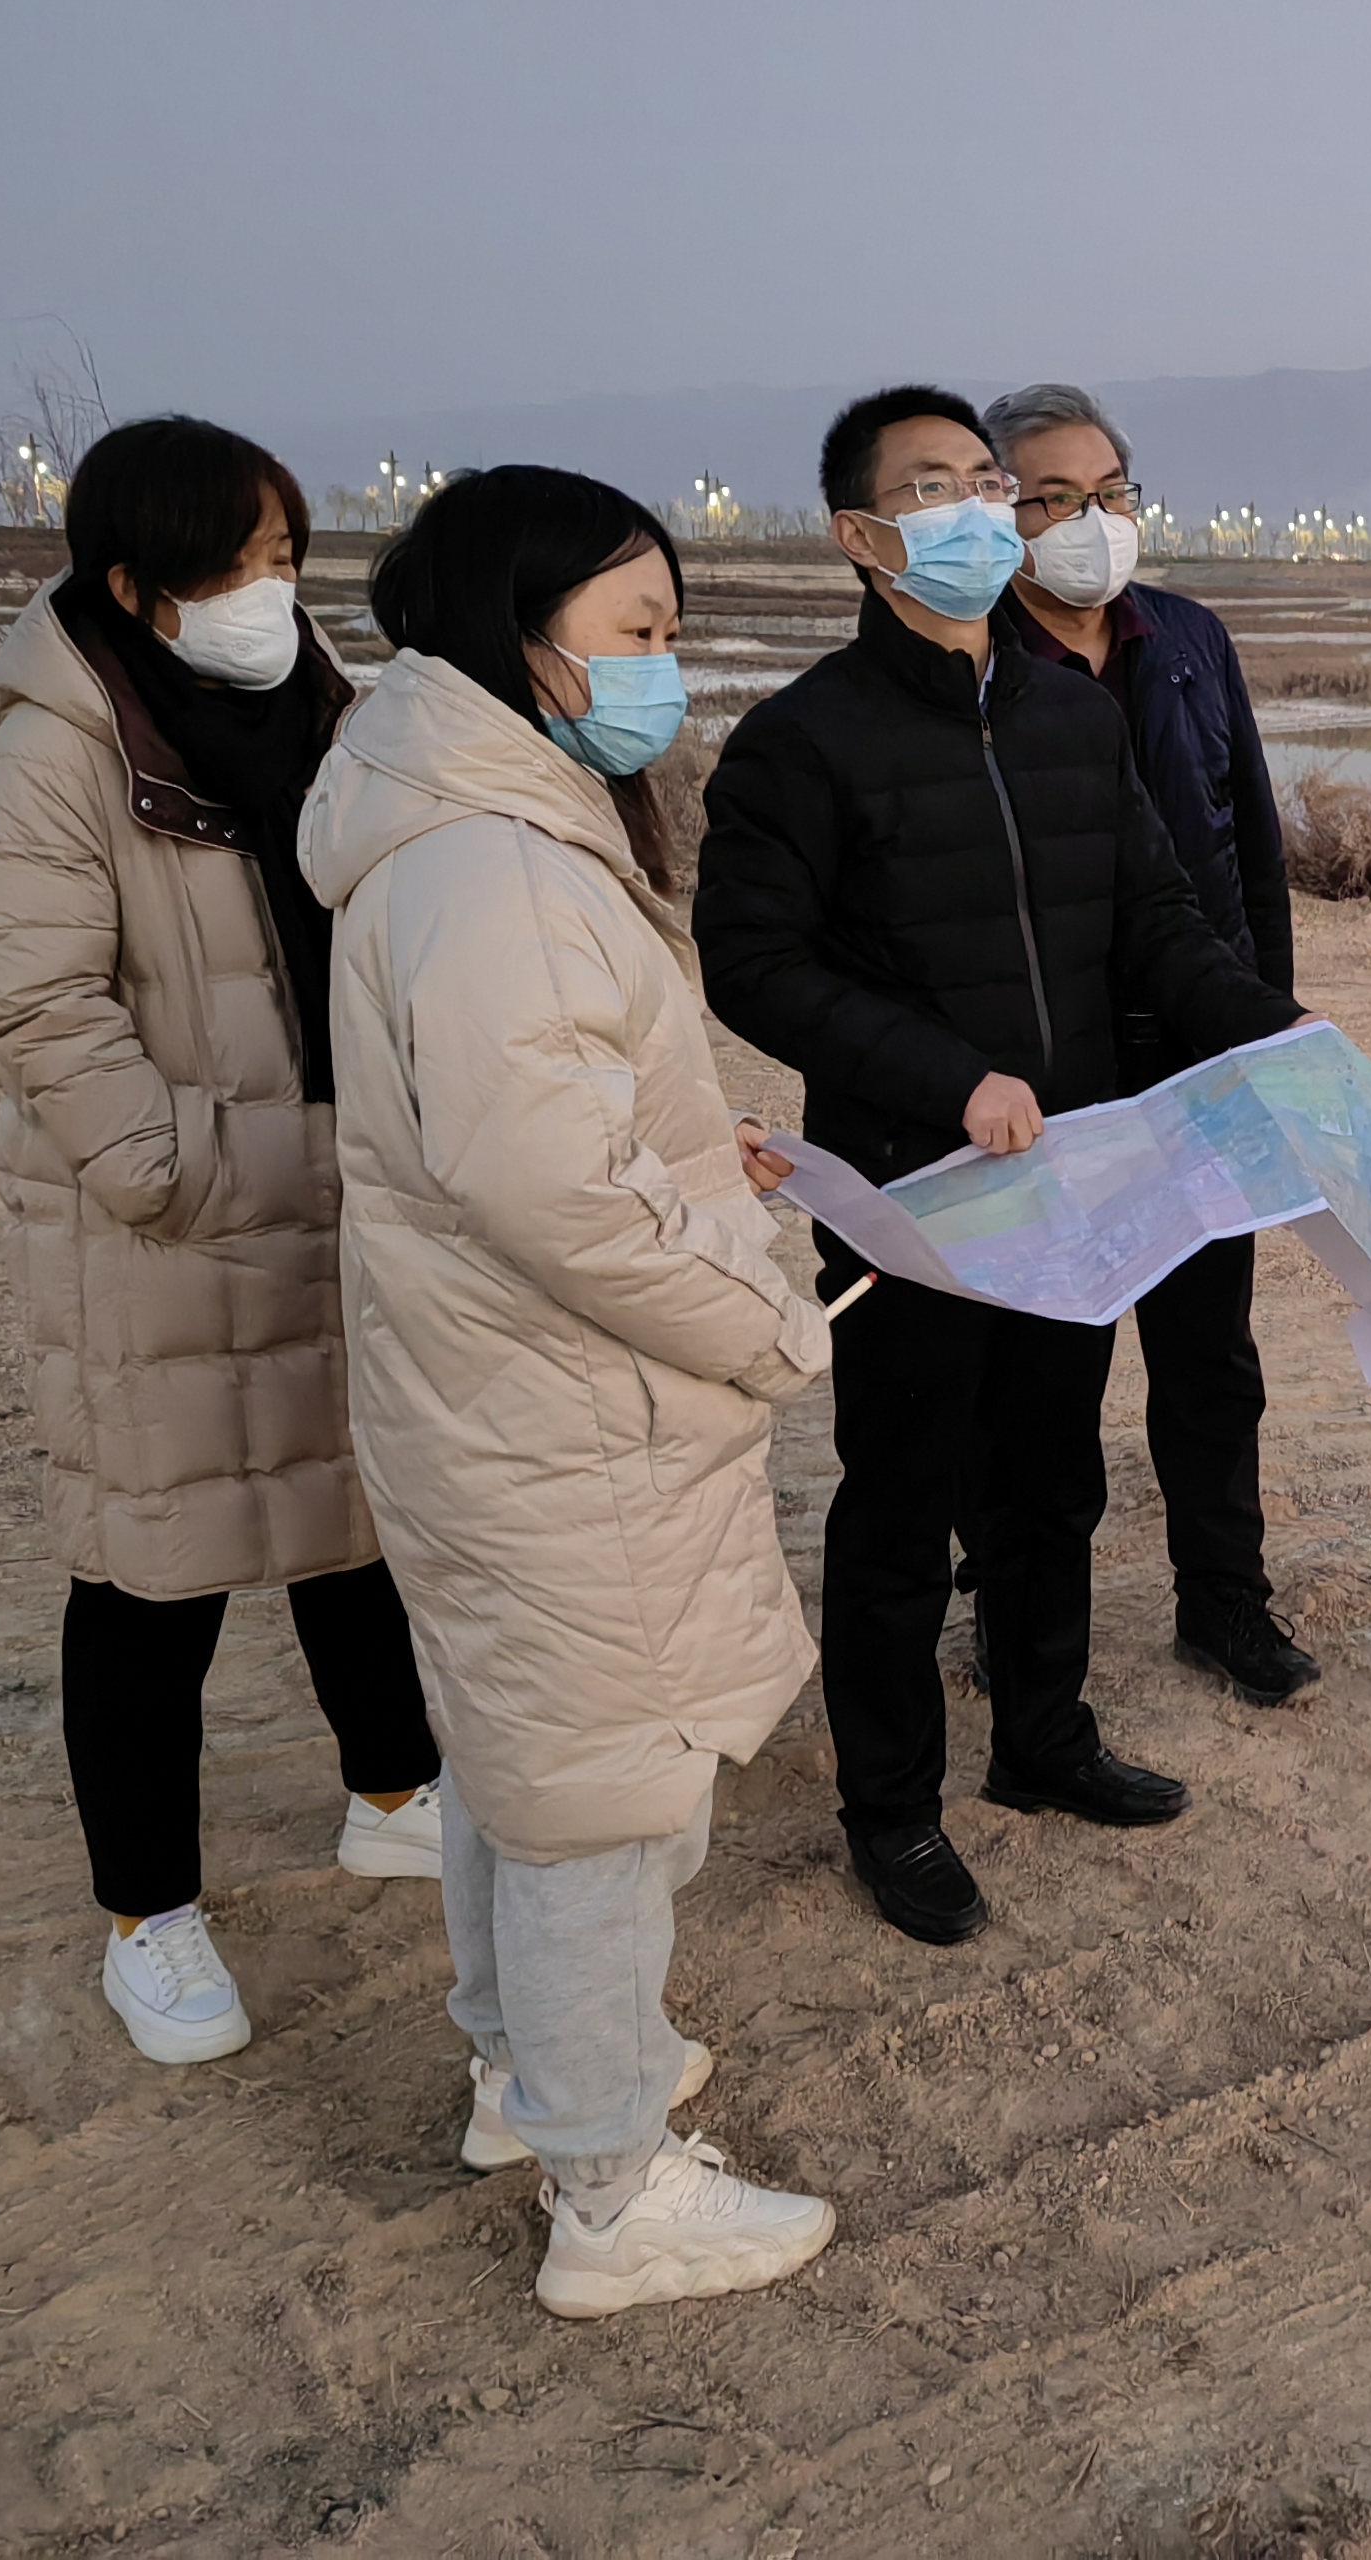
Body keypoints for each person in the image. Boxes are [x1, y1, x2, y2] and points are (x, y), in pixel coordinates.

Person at [299, 466, 837, 2320]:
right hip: (566, 1412)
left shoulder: (472, 824)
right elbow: (553, 1194)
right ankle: (610, 2196)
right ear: (516, 633)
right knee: (604, 1799)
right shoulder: (497, 865)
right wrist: (766, 1322)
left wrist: (702, 1158)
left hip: (504, 1397)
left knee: (523, 1764)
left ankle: (524, 2077)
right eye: (639, 631)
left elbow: (547, 1129)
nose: (664, 667)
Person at [692, 385, 1304, 1953]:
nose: (975, 509)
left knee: (1049, 1477)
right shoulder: (803, 742)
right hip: (913, 1195)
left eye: (984, 480)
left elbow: (1155, 920)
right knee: (902, 1505)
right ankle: (892, 1806)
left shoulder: (1073, 719)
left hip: (1069, 1178)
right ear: (861, 534)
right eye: (934, 487)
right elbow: (754, 965)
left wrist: (1274, 1033)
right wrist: (945, 1081)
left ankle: (1043, 1736)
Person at [0, 413, 443, 2071]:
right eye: (232, 565)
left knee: (346, 1515)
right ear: (131, 585)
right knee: (151, 1569)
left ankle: (394, 1791)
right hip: (164, 1224)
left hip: (331, 1183)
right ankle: (147, 1916)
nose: (269, 593)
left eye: (285, 557)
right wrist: (180, 1173)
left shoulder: (321, 712)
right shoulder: (59, 754)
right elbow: (42, 1005)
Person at [980, 381, 1313, 1708]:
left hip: (1200, 1054)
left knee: (1209, 1357)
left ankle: (1225, 1600)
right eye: (1052, 498)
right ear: (997, 514)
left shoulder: (1187, 641)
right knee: (1040, 1368)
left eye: (1109, 493)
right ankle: (1015, 1614)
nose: (1089, 521)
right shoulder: (974, 657)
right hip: (1051, 1072)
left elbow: (1251, 849)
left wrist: (1267, 1026)